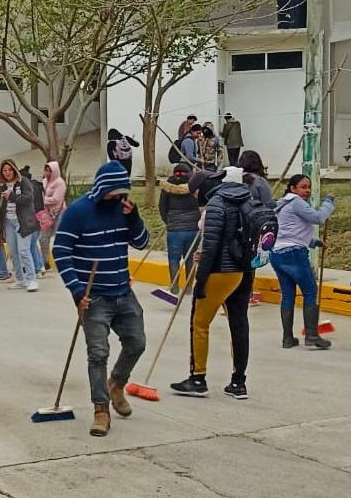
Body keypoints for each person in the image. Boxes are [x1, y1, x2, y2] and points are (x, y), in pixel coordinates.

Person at [52, 161, 149, 437]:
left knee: (137, 342)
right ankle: (101, 409)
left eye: (123, 193)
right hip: (93, 296)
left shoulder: (124, 210)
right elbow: (60, 250)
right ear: (102, 189)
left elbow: (141, 242)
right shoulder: (78, 212)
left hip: (122, 292)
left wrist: (134, 219)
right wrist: (76, 290)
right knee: (98, 353)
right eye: (115, 193)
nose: (120, 198)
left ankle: (116, 383)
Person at [171, 169, 254, 400]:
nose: (196, 195)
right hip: (244, 270)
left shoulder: (217, 203)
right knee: (239, 324)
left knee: (199, 323)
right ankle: (239, 383)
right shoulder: (248, 199)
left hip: (219, 271)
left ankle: (198, 379)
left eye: (196, 190)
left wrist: (201, 281)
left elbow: (211, 246)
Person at [271, 174, 335, 349]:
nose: (306, 191)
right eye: (303, 187)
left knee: (288, 294)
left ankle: (287, 338)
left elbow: (289, 229)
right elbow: (319, 218)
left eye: (308, 187)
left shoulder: (281, 204)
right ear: (292, 189)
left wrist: (313, 242)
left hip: (277, 254)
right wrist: (328, 202)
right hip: (294, 254)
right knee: (310, 291)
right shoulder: (296, 202)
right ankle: (312, 336)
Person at [0, 159, 40, 292]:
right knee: (13, 252)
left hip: (23, 222)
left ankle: (32, 279)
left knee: (24, 251)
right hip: (8, 222)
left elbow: (28, 199)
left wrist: (12, 196)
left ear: (14, 170)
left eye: (10, 170)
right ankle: (20, 279)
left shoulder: (24, 182)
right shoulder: (2, 185)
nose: (7, 173)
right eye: (4, 170)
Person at [159, 163, 201, 295]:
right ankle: (188, 288)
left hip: (174, 230)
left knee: (173, 259)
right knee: (190, 258)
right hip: (193, 229)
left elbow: (162, 207)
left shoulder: (167, 187)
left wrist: (169, 222)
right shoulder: (195, 186)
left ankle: (174, 286)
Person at [38, 161, 67, 274]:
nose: (47, 173)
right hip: (46, 213)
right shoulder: (44, 182)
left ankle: (63, 262)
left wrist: (43, 200)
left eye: (50, 170)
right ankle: (45, 261)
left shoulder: (60, 183)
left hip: (59, 213)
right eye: (46, 170)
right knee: (43, 238)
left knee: (59, 238)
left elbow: (56, 199)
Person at [23, 164, 46, 276]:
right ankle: (40, 266)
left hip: (31, 218)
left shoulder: (27, 188)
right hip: (40, 216)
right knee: (33, 244)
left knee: (30, 245)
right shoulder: (37, 185)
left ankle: (37, 268)